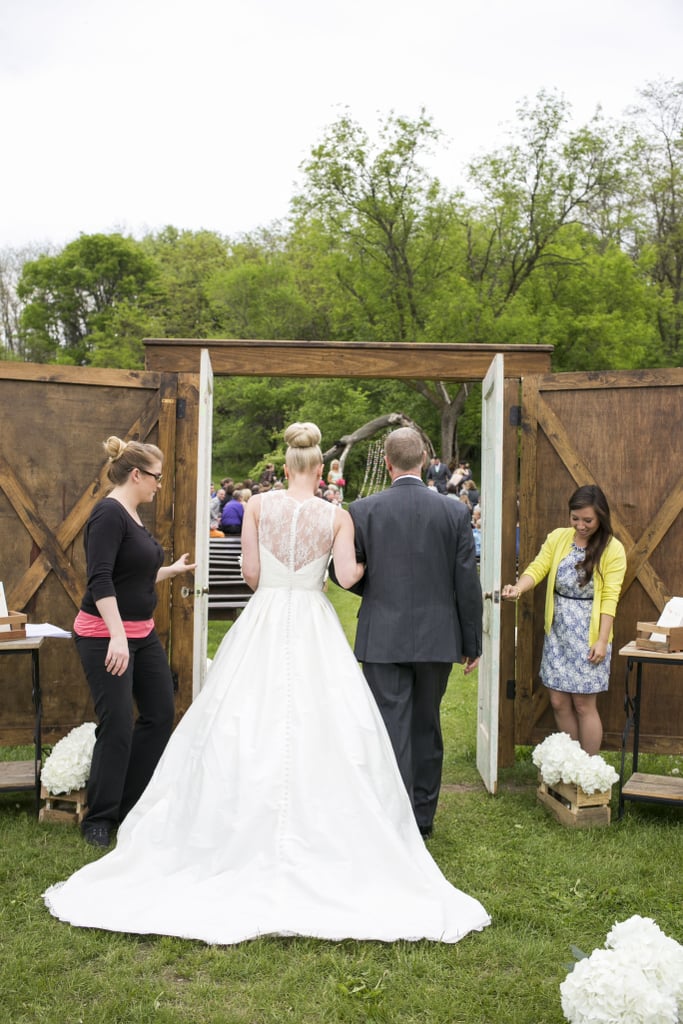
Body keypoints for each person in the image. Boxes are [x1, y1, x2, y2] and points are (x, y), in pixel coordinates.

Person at [43, 422, 490, 946]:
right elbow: (347, 579)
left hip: (264, 618)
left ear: (285, 464)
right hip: (313, 622)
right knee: (327, 722)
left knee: (242, 720)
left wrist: (283, 574)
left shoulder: (256, 506)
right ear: (321, 468)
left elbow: (252, 575)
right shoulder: (336, 515)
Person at [334, 427, 483, 839]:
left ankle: (392, 813)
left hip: (382, 634)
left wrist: (377, 588)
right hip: (438, 636)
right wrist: (473, 643)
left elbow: (344, 573)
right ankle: (421, 817)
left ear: (387, 462)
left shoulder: (362, 509)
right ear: (424, 460)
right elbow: (466, 582)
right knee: (426, 725)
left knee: (388, 725)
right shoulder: (454, 511)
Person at [73, 437, 196, 849]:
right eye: (157, 477)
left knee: (160, 714)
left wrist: (171, 570)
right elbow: (101, 580)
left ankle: (129, 804)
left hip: (139, 635)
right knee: (119, 722)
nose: (161, 485)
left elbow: (135, 576)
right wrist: (118, 637)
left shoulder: (131, 513)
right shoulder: (107, 514)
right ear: (137, 475)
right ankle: (99, 817)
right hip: (104, 637)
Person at [502, 484, 627, 755]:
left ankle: (588, 769)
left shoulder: (613, 549)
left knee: (584, 704)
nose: (581, 525)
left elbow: (610, 599)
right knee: (558, 701)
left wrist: (602, 641)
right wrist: (519, 587)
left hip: (589, 637)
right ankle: (569, 764)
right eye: (575, 518)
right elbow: (538, 567)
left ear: (601, 517)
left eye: (588, 520)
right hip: (558, 633)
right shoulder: (559, 538)